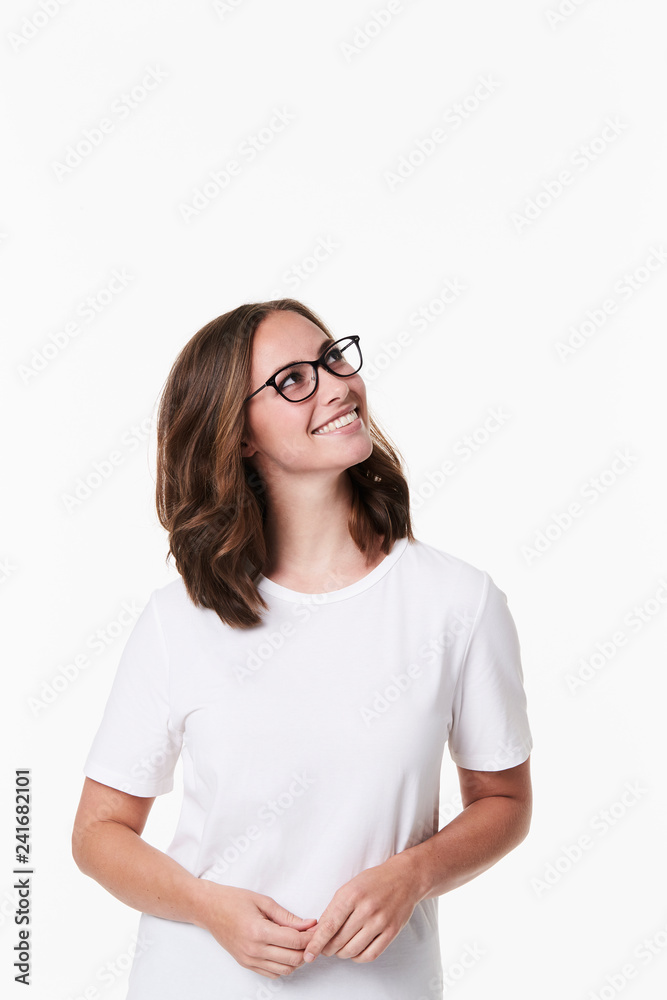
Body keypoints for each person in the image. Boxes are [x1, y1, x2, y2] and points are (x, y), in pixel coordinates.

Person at [72, 298, 533, 998]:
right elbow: (98, 833)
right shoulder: (180, 618)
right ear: (241, 435)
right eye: (292, 380)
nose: (335, 384)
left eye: (331, 359)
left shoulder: (457, 602)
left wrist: (414, 874)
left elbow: (502, 800)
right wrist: (208, 907)